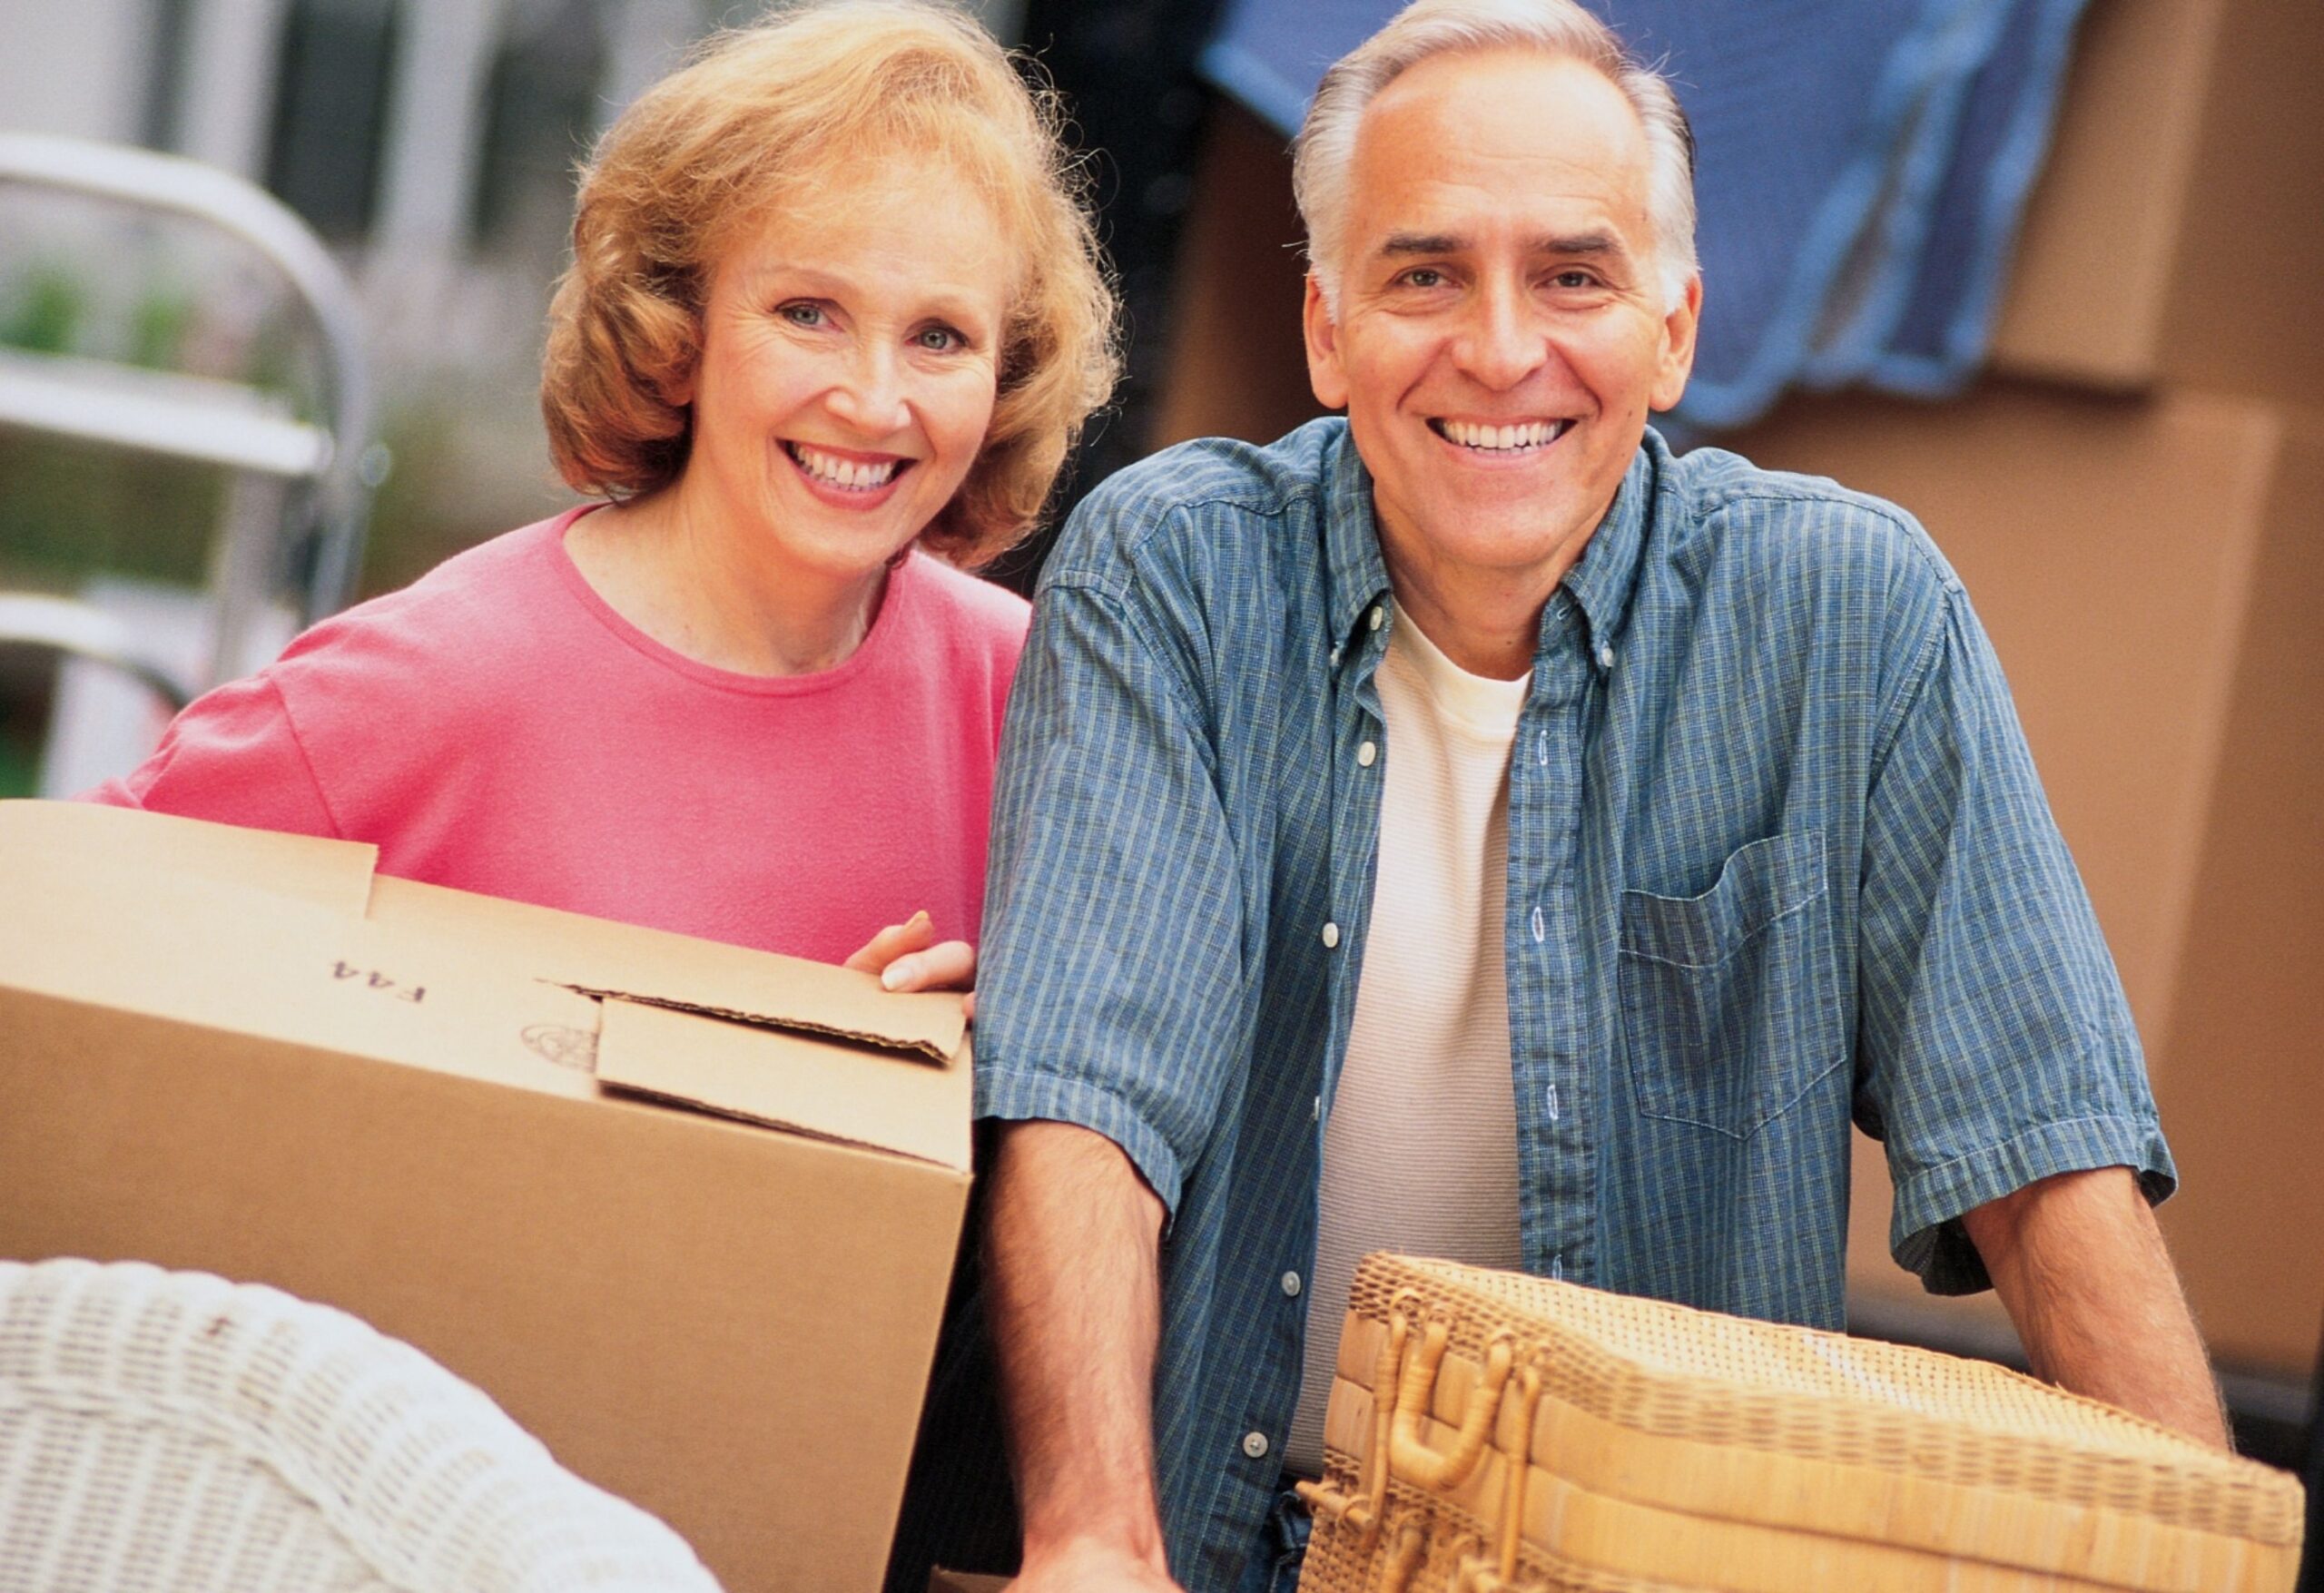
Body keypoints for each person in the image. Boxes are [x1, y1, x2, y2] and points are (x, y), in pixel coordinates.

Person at [966, 4, 2228, 1590]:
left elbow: (2046, 1163)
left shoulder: (1850, 615)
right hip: (1222, 1548)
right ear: (1326, 331)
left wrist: (2205, 1557)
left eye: (1574, 275)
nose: (1503, 349)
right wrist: (1093, 1541)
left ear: (1677, 327)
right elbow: (1090, 1109)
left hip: (1645, 1562)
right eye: (1426, 273)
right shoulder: (1177, 570)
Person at [90, 0, 1116, 993]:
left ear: (1007, 376)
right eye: (808, 312)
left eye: (940, 337)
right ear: (679, 327)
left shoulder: (1042, 697)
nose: (874, 399)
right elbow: (75, 915)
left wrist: (1027, 1061)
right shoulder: (438, 679)